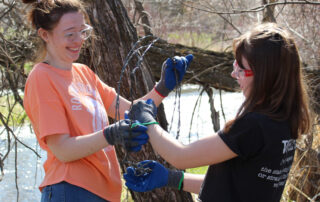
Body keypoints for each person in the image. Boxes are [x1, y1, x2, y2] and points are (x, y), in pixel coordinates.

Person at [22, 0, 193, 201]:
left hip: (104, 192)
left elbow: (131, 112)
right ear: (45, 35)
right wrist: (110, 134)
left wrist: (163, 87)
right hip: (69, 189)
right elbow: (63, 150)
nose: (79, 40)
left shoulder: (84, 73)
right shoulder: (42, 77)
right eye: (70, 34)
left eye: (82, 31)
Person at [124, 23, 311, 202]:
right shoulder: (283, 122)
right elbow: (234, 187)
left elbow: (181, 156)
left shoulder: (253, 126)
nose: (233, 74)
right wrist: (171, 178)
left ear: (264, 76)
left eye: (240, 68)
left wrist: (147, 120)